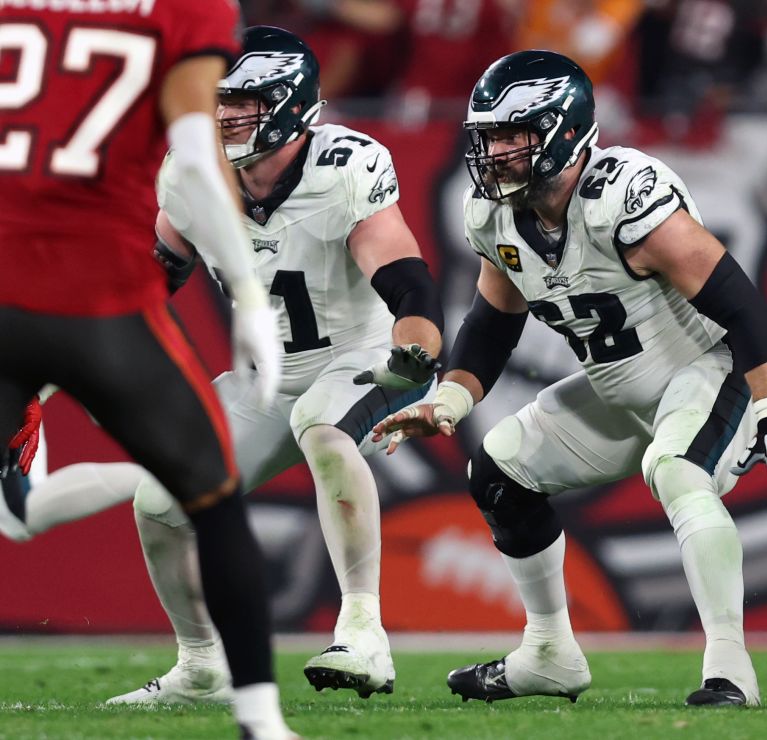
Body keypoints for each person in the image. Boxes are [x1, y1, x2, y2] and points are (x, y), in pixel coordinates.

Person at [0, 26, 444, 705]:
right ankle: (202, 664)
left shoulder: (344, 164)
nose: (226, 114)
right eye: (220, 99)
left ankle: (364, 632)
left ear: (293, 103)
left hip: (362, 353)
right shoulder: (190, 175)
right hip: (269, 374)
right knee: (160, 499)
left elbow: (407, 281)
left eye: (246, 100)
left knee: (323, 432)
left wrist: (415, 350)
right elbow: (139, 286)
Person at [372, 49, 767, 706]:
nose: (494, 153)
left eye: (511, 136)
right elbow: (493, 321)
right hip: (617, 390)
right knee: (498, 471)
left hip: (706, 373)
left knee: (677, 469)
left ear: (563, 131)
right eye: (488, 137)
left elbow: (738, 300)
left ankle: (730, 669)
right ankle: (550, 651)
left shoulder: (625, 200)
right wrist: (450, 399)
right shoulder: (497, 215)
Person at [0, 2, 295, 738]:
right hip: (100, 300)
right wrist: (250, 294)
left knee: (14, 513)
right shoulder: (184, 7)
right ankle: (260, 721)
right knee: (214, 497)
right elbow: (196, 158)